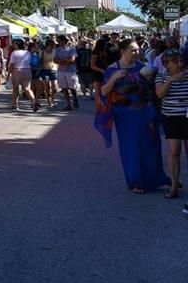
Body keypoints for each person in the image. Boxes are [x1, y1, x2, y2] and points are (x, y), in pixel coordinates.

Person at [96, 38, 169, 194]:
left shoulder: (141, 67)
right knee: (132, 147)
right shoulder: (112, 68)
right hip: (125, 115)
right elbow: (103, 91)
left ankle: (156, 179)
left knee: (151, 145)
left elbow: (151, 89)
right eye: (133, 50)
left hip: (145, 112)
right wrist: (115, 78)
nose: (137, 52)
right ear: (123, 51)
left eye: (138, 50)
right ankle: (135, 181)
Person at [156, 49, 188, 200]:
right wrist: (171, 80)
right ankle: (174, 185)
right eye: (175, 62)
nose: (180, 64)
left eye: (181, 61)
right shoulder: (162, 76)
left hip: (186, 116)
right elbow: (160, 94)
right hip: (170, 117)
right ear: (166, 64)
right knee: (174, 151)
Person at [8, 39, 37, 112]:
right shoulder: (27, 53)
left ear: (17, 45)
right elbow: (30, 62)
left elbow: (11, 64)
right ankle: (33, 101)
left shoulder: (14, 53)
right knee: (27, 88)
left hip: (17, 70)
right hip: (27, 70)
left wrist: (8, 73)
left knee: (15, 88)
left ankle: (15, 105)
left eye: (14, 43)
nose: (13, 45)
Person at [54, 36, 79, 111]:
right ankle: (68, 104)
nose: (59, 43)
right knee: (64, 87)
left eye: (60, 41)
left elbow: (72, 59)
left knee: (72, 87)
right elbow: (55, 60)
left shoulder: (72, 49)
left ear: (64, 41)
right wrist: (65, 60)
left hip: (70, 71)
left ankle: (75, 97)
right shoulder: (57, 49)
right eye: (58, 41)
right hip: (61, 70)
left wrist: (62, 61)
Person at [41, 40, 60, 110]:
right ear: (48, 45)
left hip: (53, 70)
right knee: (47, 87)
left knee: (54, 87)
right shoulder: (42, 52)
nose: (53, 46)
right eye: (52, 45)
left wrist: (58, 66)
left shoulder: (55, 52)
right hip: (45, 70)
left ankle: (52, 99)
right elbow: (40, 61)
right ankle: (49, 102)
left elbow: (57, 60)